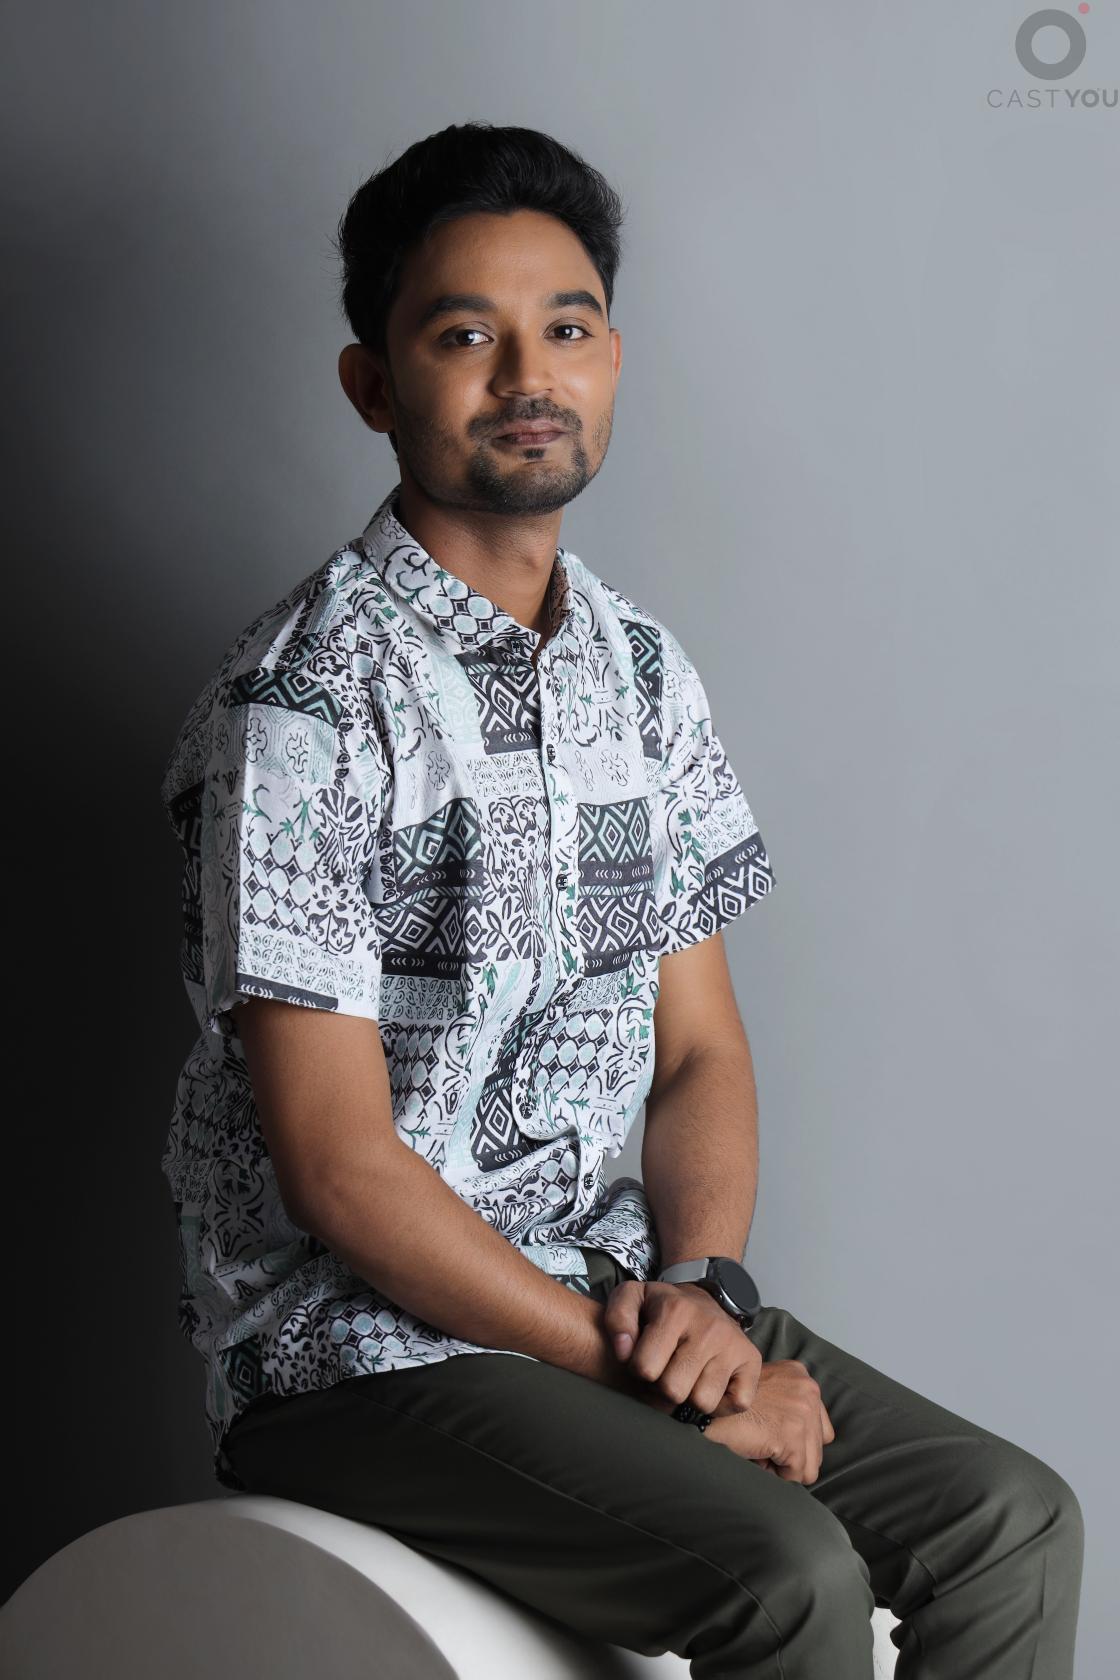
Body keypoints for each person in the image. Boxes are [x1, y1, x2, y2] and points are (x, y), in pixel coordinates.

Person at [159, 122, 1084, 1678]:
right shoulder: (299, 708)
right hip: (356, 1356)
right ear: (374, 386)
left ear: (613, 359)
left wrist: (705, 1295)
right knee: (787, 1575)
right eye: (467, 335)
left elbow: (699, 1048)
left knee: (1010, 1521)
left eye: (569, 328)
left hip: (619, 1297)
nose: (531, 374)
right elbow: (339, 1171)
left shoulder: (640, 669)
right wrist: (654, 1369)